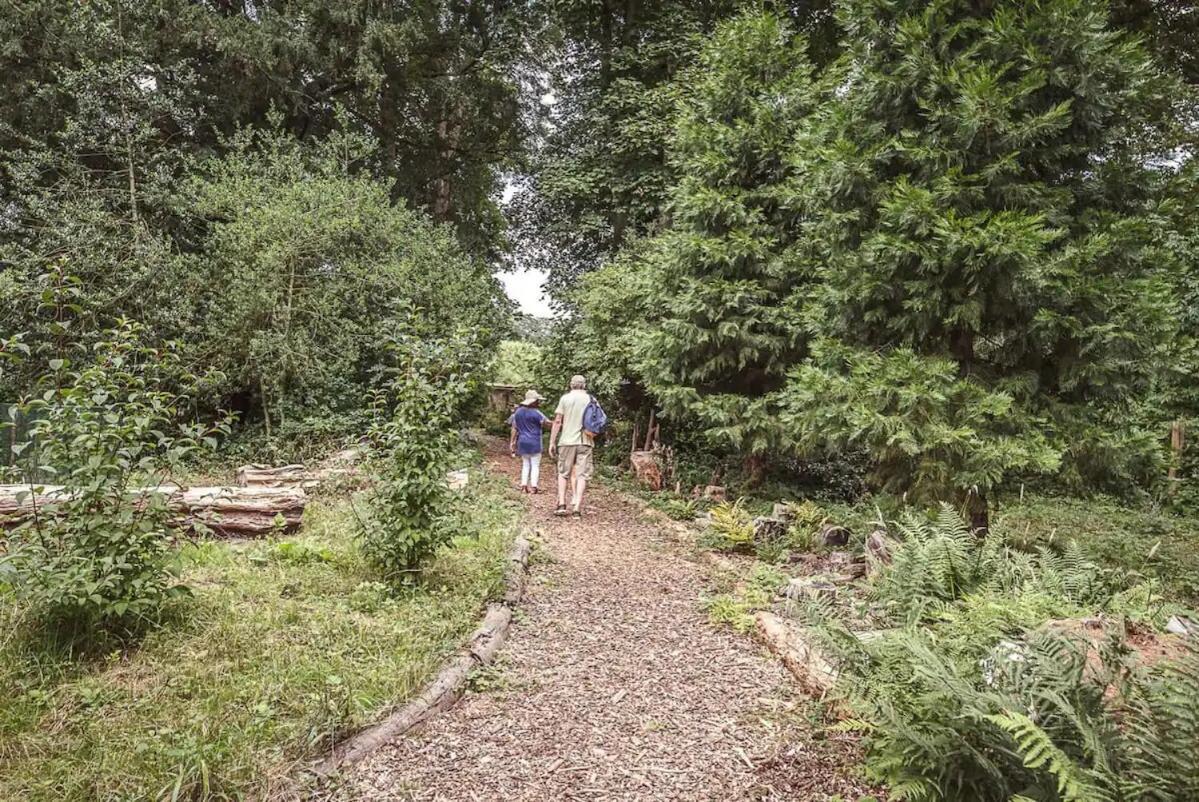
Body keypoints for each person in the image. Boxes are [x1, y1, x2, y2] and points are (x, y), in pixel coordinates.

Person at [549, 374, 594, 517]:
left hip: (566, 441)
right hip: (585, 441)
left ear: (571, 385)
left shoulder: (565, 399)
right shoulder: (591, 399)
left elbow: (557, 421)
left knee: (563, 473)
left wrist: (552, 441)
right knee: (582, 475)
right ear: (584, 385)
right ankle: (577, 508)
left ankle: (562, 504)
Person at [508, 390, 551, 493]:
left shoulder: (518, 412)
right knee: (535, 465)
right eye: (537, 401)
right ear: (533, 402)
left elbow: (514, 428)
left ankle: (523, 486)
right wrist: (558, 424)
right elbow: (547, 423)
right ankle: (534, 486)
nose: (538, 403)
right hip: (534, 441)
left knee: (525, 464)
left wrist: (512, 442)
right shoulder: (536, 413)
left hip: (522, 441)